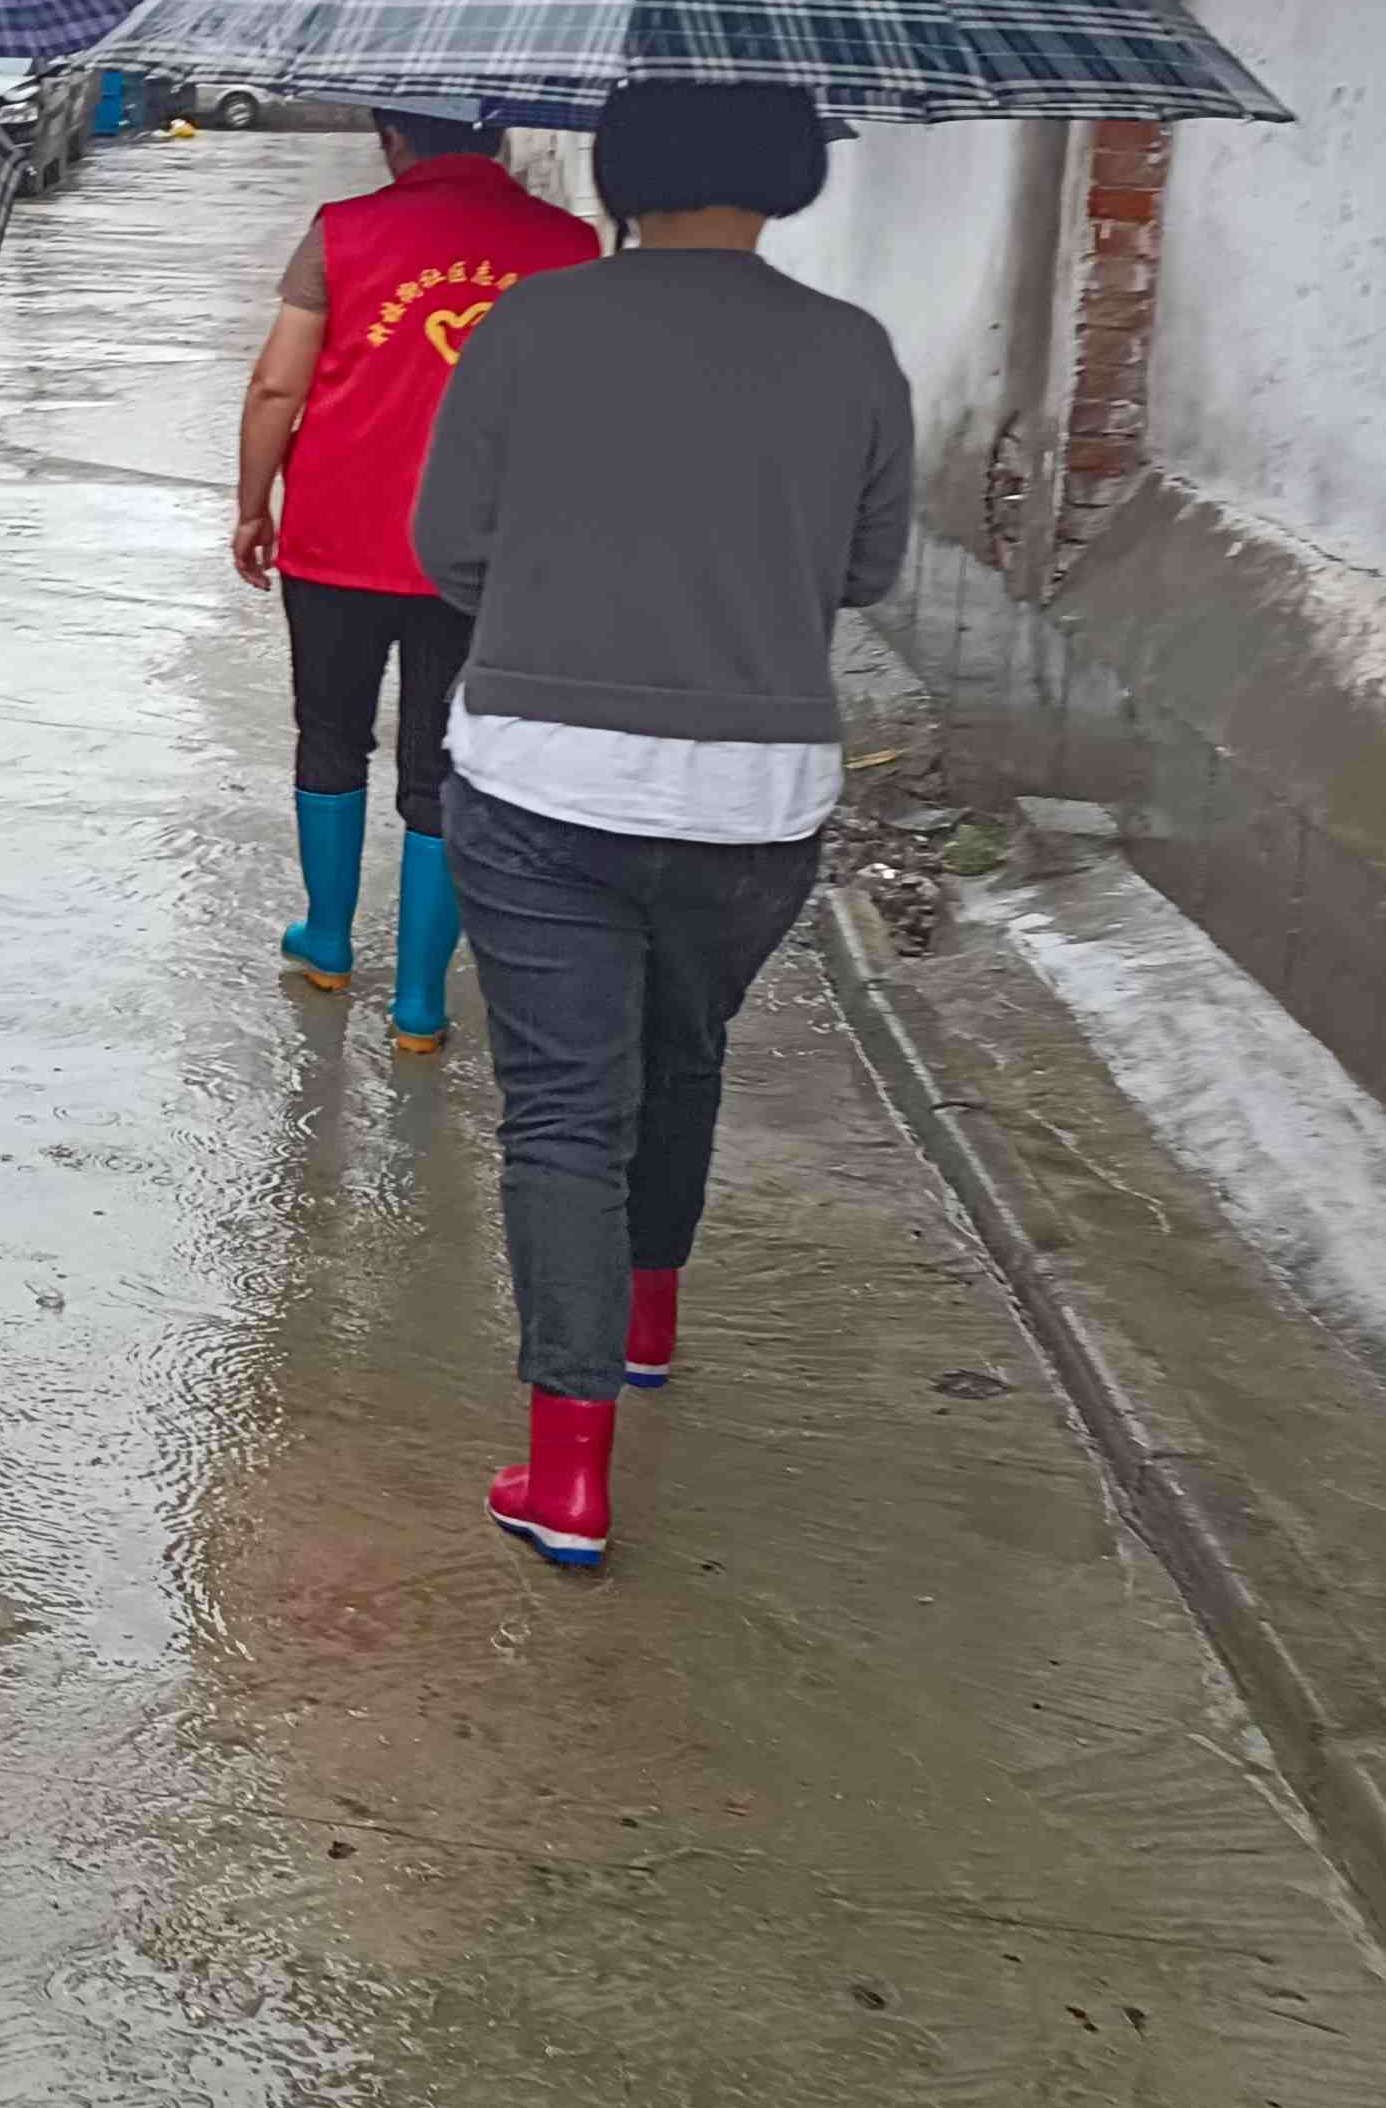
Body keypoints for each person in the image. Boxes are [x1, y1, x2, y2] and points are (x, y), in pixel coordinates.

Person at [411, 81, 914, 1569]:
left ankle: (569, 1476)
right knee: (684, 1052)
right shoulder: (852, 350)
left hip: (540, 776)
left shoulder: (530, 327)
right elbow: (868, 569)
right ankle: (646, 1322)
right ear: (789, 171)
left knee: (567, 1108)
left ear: (624, 168)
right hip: (755, 798)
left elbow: (449, 550)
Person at [229, 109, 599, 1049]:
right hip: (485, 553)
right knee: (446, 765)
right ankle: (421, 1001)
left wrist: (253, 505)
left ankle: (327, 941)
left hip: (337, 539)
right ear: (500, 139)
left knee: (331, 736)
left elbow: (277, 385)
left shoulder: (343, 232)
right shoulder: (567, 245)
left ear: (394, 138)